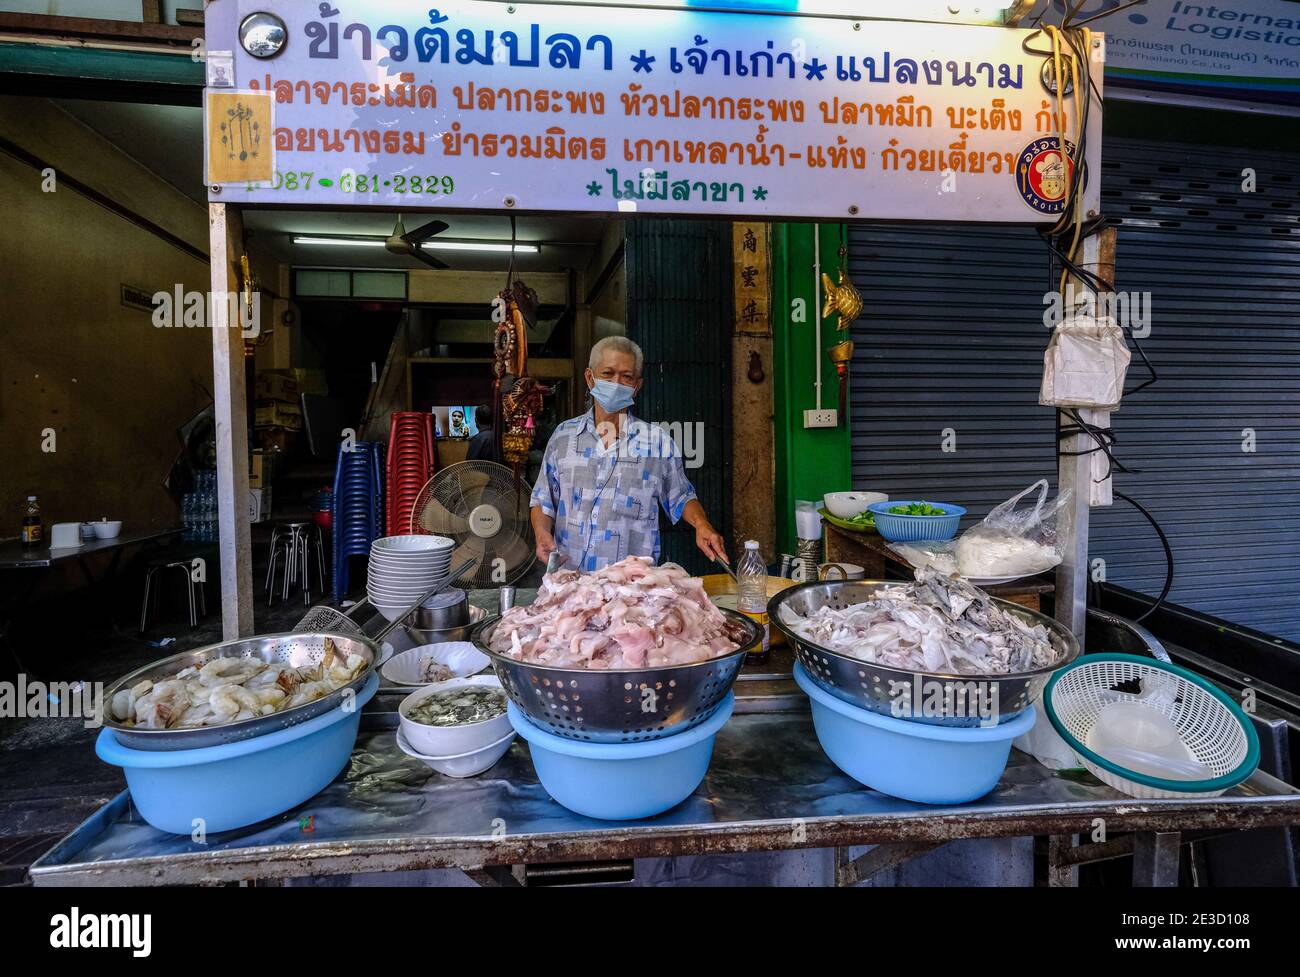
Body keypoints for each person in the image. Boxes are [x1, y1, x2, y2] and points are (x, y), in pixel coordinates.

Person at [530, 335, 727, 572]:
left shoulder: (656, 442)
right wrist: (541, 533)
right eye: (608, 374)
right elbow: (543, 499)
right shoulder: (564, 437)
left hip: (632, 589)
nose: (616, 383)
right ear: (590, 378)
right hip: (572, 584)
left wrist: (702, 524)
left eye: (626, 377)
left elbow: (681, 496)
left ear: (637, 386)